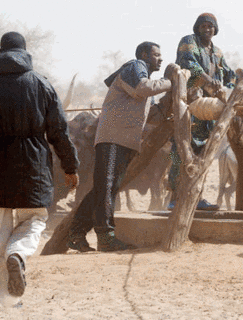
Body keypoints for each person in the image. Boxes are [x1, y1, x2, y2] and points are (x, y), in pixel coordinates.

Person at [0, 31, 79, 307]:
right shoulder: (40, 83)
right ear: (25, 51)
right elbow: (59, 132)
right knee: (35, 220)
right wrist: (70, 165)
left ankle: (7, 300)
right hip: (32, 166)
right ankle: (17, 254)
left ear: (0, 51)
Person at [67, 41, 172, 252]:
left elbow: (149, 114)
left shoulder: (142, 78)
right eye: (156, 54)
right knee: (106, 187)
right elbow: (143, 88)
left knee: (105, 189)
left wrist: (165, 108)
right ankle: (105, 237)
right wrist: (171, 82)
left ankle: (77, 233)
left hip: (123, 140)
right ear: (144, 54)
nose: (160, 58)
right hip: (113, 139)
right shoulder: (135, 67)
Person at [169, 12, 237, 210]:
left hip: (209, 112)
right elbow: (188, 64)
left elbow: (229, 74)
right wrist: (210, 82)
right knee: (181, 150)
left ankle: (197, 198)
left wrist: (230, 88)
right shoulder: (188, 42)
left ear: (215, 30)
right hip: (188, 105)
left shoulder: (217, 52)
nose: (207, 29)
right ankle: (175, 197)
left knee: (204, 154)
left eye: (211, 26)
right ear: (197, 28)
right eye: (203, 26)